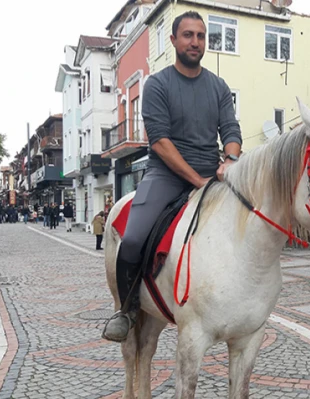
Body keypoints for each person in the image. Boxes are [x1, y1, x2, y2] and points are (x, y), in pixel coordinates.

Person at [102, 10, 242, 342]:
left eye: (201, 36)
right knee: (133, 239)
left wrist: (231, 159)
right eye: (189, 35)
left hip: (212, 174)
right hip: (165, 175)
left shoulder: (219, 86)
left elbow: (231, 130)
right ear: (173, 40)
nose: (196, 42)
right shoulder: (158, 84)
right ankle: (127, 308)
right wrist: (197, 181)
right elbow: (160, 142)